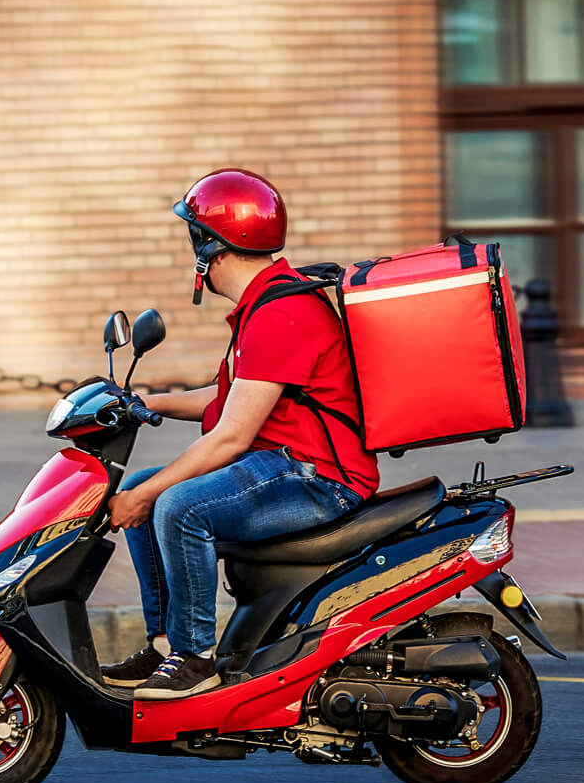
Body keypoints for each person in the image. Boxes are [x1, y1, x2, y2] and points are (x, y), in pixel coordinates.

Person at [99, 169, 380, 700]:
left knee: (177, 504)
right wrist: (143, 404)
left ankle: (193, 659)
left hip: (318, 477)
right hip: (283, 464)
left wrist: (143, 496)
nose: (192, 253)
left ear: (212, 246)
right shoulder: (265, 306)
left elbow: (230, 436)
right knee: (144, 484)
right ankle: (165, 648)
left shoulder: (283, 313)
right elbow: (227, 399)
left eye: (194, 238)